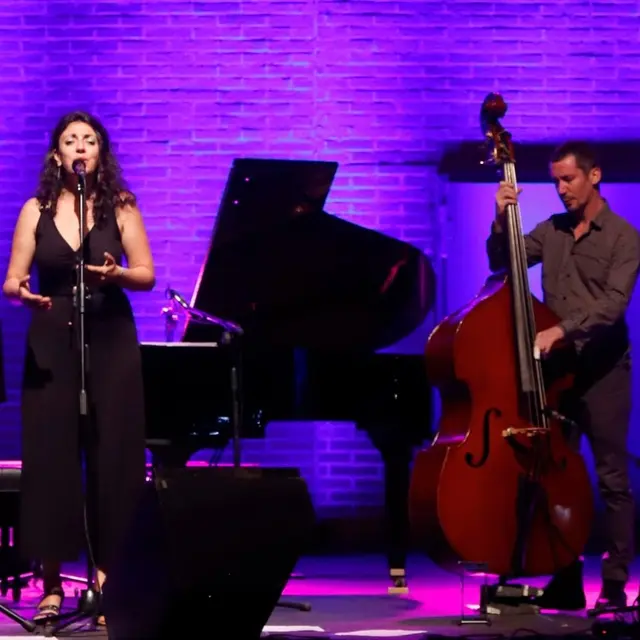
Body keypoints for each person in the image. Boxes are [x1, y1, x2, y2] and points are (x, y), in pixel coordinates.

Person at [2, 111, 155, 624]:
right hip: (52, 336)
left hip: (109, 335)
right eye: (71, 140)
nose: (81, 146)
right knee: (51, 457)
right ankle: (50, 582)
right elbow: (12, 280)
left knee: (114, 456)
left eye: (89, 139)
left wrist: (116, 275)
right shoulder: (36, 209)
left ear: (100, 152)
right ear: (57, 155)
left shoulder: (121, 205)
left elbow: (147, 274)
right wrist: (23, 294)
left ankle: (110, 579)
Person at [486, 140, 640, 610]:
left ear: (594, 176)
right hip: (559, 375)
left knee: (612, 479)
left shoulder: (623, 237)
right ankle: (566, 576)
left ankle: (614, 584)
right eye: (556, 181)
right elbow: (504, 261)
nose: (561, 189)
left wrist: (561, 330)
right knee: (553, 474)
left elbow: (612, 306)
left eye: (568, 179)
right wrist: (501, 219)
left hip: (605, 373)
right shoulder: (551, 230)